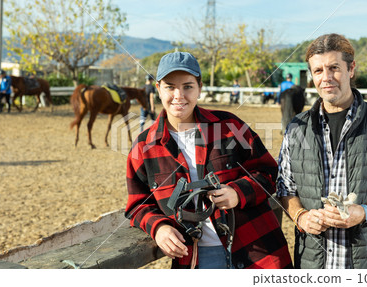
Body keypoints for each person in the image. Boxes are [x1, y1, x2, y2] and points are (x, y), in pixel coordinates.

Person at [125, 52, 292, 269]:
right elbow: (137, 205)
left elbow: (270, 172)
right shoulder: (142, 147)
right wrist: (158, 228)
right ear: (158, 89)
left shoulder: (230, 126)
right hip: (196, 257)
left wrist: (237, 193)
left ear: (199, 88)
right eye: (170, 87)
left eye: (187, 86)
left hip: (256, 247)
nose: (179, 95)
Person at [277, 33, 367, 269]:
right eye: (318, 71)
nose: (326, 78)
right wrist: (300, 216)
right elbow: (286, 188)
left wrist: (364, 212)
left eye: (333, 68)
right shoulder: (296, 127)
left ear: (351, 69)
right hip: (313, 264)